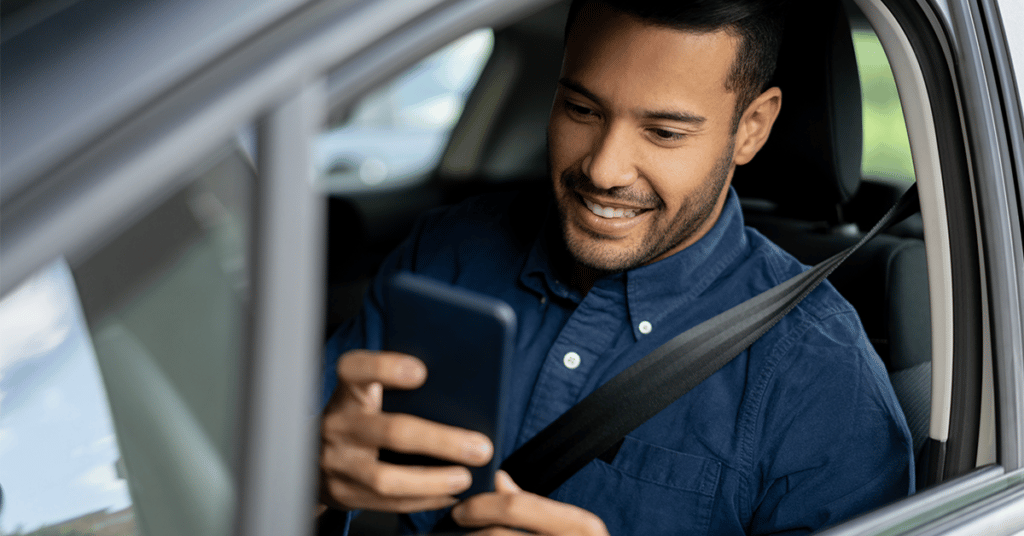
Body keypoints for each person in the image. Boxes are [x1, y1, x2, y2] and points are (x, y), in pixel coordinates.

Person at [318, 0, 915, 533]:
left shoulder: (821, 375)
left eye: (663, 131)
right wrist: (314, 482)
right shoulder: (448, 251)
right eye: (581, 109)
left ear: (750, 130)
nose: (604, 169)